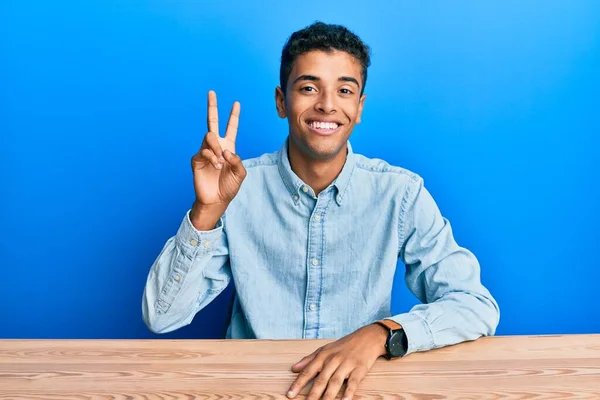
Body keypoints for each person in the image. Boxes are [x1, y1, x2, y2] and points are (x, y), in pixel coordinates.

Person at [142, 21, 500, 400]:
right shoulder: (237, 189)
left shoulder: (400, 194)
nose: (327, 104)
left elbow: (474, 305)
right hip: (251, 390)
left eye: (344, 90)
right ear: (282, 101)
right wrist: (207, 211)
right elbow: (161, 317)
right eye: (309, 88)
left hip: (356, 390)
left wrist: (380, 335)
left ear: (359, 107)